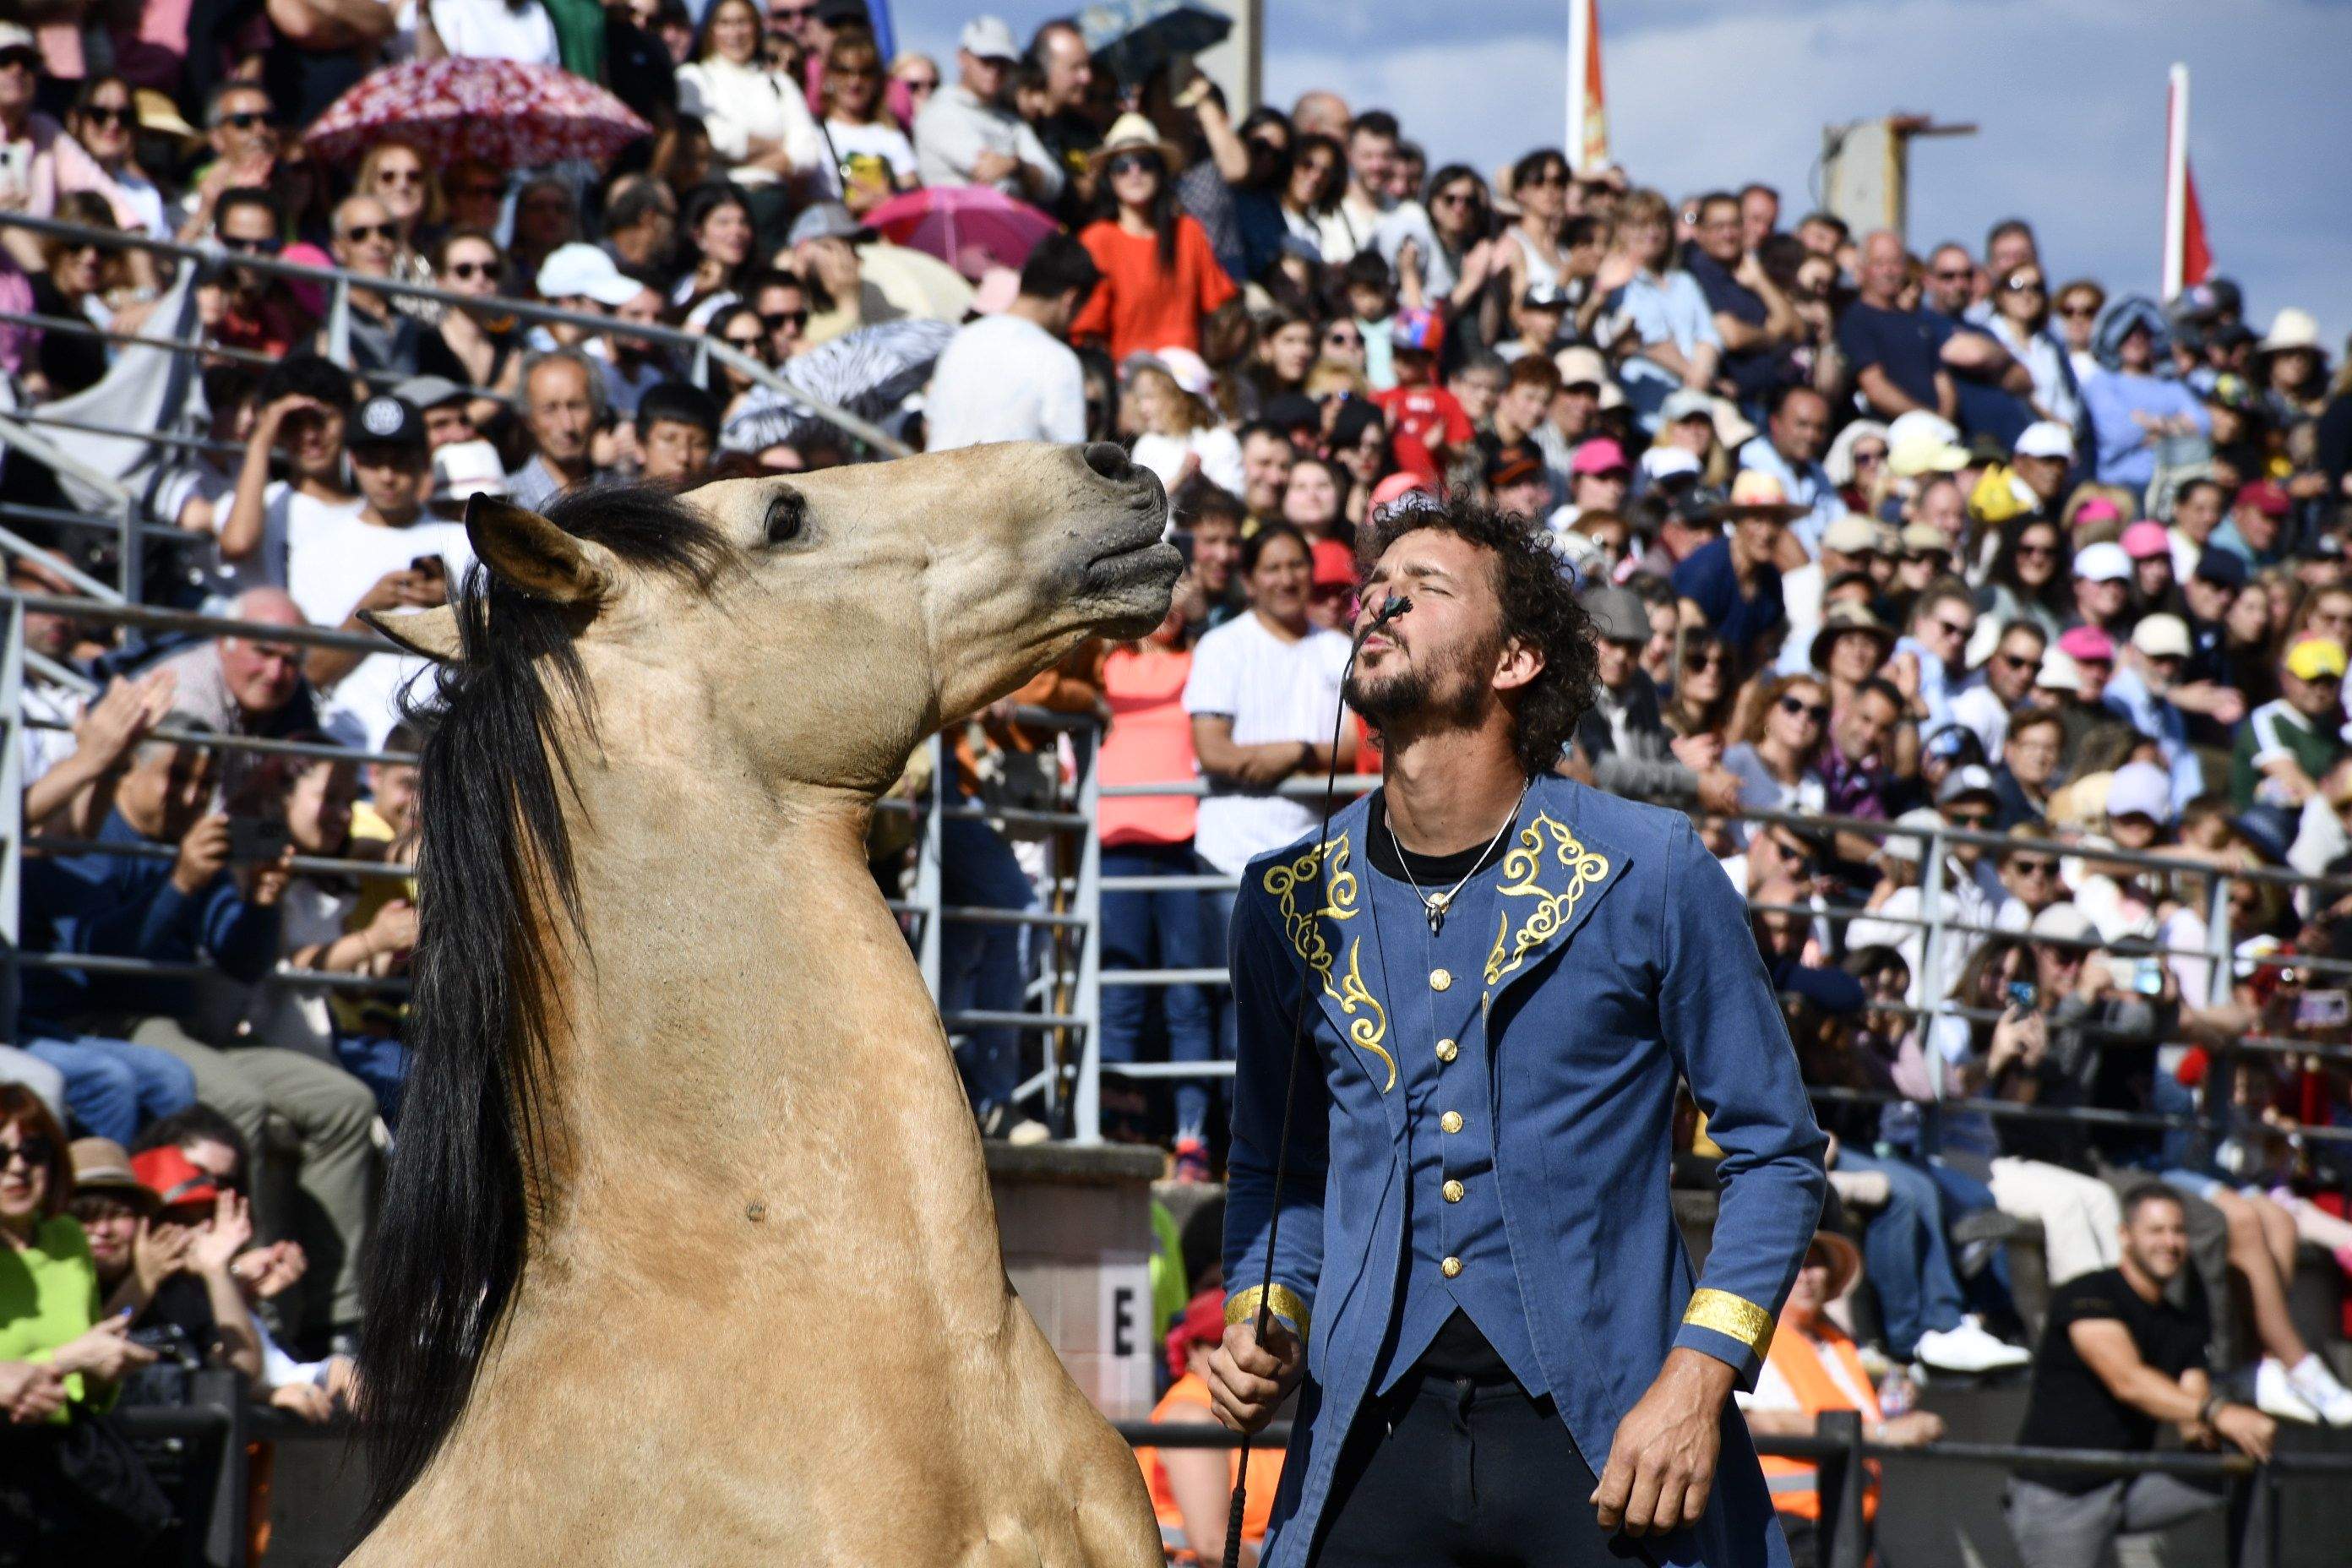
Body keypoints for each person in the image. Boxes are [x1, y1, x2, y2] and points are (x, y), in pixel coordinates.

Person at [1211, 497, 1826, 1565]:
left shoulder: (1651, 866)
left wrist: (1697, 1377)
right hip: (1369, 1439)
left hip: (1609, 1439)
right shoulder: (1285, 900)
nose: (1382, 597)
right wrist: (1265, 1317)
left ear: (1516, 659)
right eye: (1375, 581)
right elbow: (1279, 1164)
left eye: (1429, 584)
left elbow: (1776, 1152)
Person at [2005, 1185, 2273, 1568]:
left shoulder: (2181, 1324)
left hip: (2130, 1483)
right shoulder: (2088, 1294)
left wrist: (2229, 1432)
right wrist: (2218, 1412)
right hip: (2062, 1490)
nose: (2170, 1242)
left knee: (2244, 1465)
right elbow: (2127, 1380)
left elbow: (2191, 1409)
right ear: (2124, 1236)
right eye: (2157, 1230)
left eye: (2178, 1231)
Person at [0, 1084, 170, 1559]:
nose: (17, 1166)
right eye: (0, 1152)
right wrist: (67, 1358)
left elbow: (87, 1383)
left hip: (62, 1471)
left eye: (33, 1150)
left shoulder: (67, 1238)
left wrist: (102, 1369)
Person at [1736, 1231, 1946, 1568]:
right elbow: (1759, 1421)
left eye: (1817, 1265)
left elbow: (1855, 1418)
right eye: (1798, 1265)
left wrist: (1893, 1417)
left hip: (1849, 1522)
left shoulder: (1837, 1343)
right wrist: (1883, 1434)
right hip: (1784, 1525)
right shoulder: (1753, 1334)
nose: (1807, 1276)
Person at [1095, 602, 1216, 1179]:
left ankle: (1191, 1136)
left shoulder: (1201, 661)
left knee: (1186, 995)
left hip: (1183, 839)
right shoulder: (1104, 661)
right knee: (1119, 989)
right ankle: (1119, 1124)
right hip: (1115, 838)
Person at [287, 393, 474, 749]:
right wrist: (369, 613)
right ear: (354, 461)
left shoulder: (463, 543)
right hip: (350, 750)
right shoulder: (317, 550)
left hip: (442, 752)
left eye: (400, 462)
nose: (388, 476)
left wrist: (450, 607)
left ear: (423, 460)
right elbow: (311, 674)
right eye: (374, 462)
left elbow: (496, 653)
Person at [1070, 114, 1237, 367]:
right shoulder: (1096, 240)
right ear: (1109, 178)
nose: (1134, 172)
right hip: (1125, 384)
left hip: (1187, 382)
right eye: (1122, 165)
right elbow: (1087, 332)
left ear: (1160, 171)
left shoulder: (1188, 232)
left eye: (1145, 163)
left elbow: (1222, 312)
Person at [1141, 1287, 1287, 1565]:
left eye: (1256, 1346)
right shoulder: (1191, 1416)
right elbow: (1212, 1545)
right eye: (1223, 1343)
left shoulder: (1247, 1407)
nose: (1243, 1357)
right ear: (1192, 1350)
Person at [925, 234, 1097, 450]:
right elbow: (1072, 459)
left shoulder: (963, 338)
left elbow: (929, 424)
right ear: (1070, 300)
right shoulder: (1058, 360)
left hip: (938, 479)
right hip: (1004, 484)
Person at [675, 0, 824, 235]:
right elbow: (712, 140)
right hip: (718, 207)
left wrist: (737, 163)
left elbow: (807, 153)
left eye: (742, 22)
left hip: (773, 208)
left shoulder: (779, 83)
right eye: (725, 23)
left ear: (756, 26)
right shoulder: (694, 77)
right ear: (710, 29)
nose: (734, 32)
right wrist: (777, 147)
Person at [912, 15, 1062, 204]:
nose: (995, 70)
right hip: (955, 227)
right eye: (986, 60)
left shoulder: (1011, 122)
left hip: (1006, 227)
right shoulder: (939, 112)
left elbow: (1055, 183)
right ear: (962, 58)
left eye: (1003, 62)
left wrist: (1016, 166)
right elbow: (998, 182)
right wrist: (1024, 172)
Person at [1839, 231, 1957, 422]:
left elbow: (1942, 380)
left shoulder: (1919, 320)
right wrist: (1927, 421)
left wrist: (1944, 423)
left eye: (1895, 263)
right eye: (1879, 263)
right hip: (1889, 431)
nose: (1888, 271)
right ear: (1862, 269)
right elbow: (1874, 387)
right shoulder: (1857, 320)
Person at [810, 26, 914, 213]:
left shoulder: (891, 136)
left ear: (876, 80)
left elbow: (912, 191)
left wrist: (891, 198)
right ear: (829, 75)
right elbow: (802, 201)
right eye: (844, 71)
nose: (855, 82)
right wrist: (850, 207)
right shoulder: (814, 134)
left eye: (864, 73)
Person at [506, 347, 612, 510]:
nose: (567, 425)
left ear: (596, 410)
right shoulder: (508, 501)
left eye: (576, 406)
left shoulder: (618, 494)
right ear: (528, 419)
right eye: (550, 409)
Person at [632, 379, 720, 484]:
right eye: (669, 440)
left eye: (698, 444)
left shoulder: (724, 499)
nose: (684, 457)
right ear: (640, 445)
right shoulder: (614, 500)